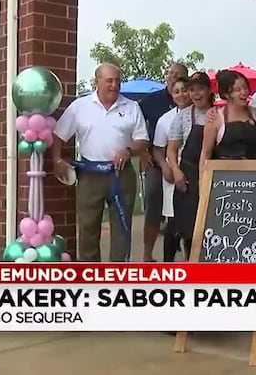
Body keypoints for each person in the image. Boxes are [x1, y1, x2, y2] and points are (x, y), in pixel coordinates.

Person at [52, 63, 149, 262]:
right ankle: (90, 273)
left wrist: (129, 151)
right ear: (97, 82)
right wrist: (56, 160)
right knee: (88, 228)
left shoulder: (132, 107)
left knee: (122, 228)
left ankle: (118, 273)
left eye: (118, 81)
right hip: (90, 175)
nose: (114, 85)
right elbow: (59, 134)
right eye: (109, 81)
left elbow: (143, 140)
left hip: (122, 174)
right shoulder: (80, 106)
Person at [139, 62, 188, 261]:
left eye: (177, 74)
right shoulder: (151, 101)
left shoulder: (192, 103)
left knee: (184, 209)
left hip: (186, 162)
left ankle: (189, 256)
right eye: (169, 73)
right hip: (156, 160)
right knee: (153, 200)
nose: (172, 77)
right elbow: (136, 125)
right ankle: (147, 255)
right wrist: (143, 152)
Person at [166, 73, 214, 261]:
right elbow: (171, 150)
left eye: (200, 89)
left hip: (211, 175)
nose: (196, 93)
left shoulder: (218, 114)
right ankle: (190, 265)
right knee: (188, 229)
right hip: (188, 177)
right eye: (192, 89)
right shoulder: (183, 117)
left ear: (209, 90)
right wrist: (176, 171)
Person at [152, 77, 192, 261]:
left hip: (194, 171)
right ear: (171, 95)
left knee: (192, 222)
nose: (181, 95)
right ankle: (168, 264)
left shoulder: (204, 114)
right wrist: (165, 167)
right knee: (173, 223)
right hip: (172, 173)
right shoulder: (165, 120)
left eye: (184, 90)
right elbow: (158, 149)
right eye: (176, 92)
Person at [200, 70, 256, 166]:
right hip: (224, 172)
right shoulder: (215, 118)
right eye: (237, 90)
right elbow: (206, 153)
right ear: (226, 94)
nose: (244, 92)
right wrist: (203, 175)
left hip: (253, 170)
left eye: (245, 87)